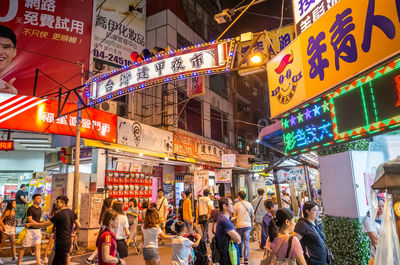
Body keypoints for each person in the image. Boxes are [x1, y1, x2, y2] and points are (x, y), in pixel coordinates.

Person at [26, 195, 80, 265]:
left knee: (59, 262)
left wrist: (31, 224)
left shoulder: (59, 214)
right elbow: (79, 225)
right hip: (68, 241)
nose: (57, 204)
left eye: (58, 202)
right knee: (63, 260)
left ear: (63, 203)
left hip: (61, 242)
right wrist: (72, 232)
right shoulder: (71, 212)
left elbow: (43, 225)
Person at [294, 201, 327, 265]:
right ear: (307, 211)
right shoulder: (302, 224)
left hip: (321, 261)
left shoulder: (315, 223)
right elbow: (294, 244)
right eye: (314, 210)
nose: (317, 213)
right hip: (311, 262)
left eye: (318, 210)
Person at [85, 197, 114, 264]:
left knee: (102, 247)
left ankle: (92, 258)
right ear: (109, 203)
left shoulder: (106, 210)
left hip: (104, 230)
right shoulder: (107, 211)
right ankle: (91, 258)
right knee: (101, 247)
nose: (113, 203)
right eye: (112, 202)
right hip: (105, 231)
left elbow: (100, 222)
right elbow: (102, 222)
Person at [17, 194, 42, 265]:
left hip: (37, 230)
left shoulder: (40, 208)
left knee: (38, 247)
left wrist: (41, 223)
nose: (40, 200)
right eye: (38, 198)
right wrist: (39, 224)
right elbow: (30, 219)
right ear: (34, 200)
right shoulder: (30, 208)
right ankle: (19, 263)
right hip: (30, 230)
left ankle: (38, 263)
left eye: (40, 198)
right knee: (23, 247)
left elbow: (38, 220)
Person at [216, 197, 241, 265]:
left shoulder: (224, 219)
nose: (233, 206)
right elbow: (238, 238)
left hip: (228, 255)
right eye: (231, 204)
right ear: (225, 206)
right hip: (228, 256)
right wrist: (235, 238)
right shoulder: (224, 221)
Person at [233, 191, 254, 264]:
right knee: (246, 241)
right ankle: (246, 259)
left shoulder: (236, 205)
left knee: (240, 241)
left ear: (239, 196)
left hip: (239, 225)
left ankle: (240, 256)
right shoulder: (249, 204)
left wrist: (234, 225)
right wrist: (252, 222)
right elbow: (252, 214)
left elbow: (234, 216)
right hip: (247, 225)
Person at [362, 196, 385, 265]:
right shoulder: (367, 219)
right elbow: (374, 239)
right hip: (377, 255)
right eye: (378, 207)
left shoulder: (385, 218)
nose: (381, 209)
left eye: (383, 206)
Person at [0, 25, 18, 94]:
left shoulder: (10, 91)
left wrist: (8, 98)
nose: (0, 52)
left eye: (6, 47)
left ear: (14, 52)